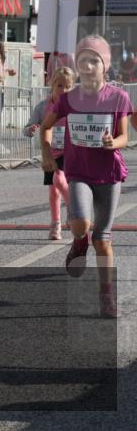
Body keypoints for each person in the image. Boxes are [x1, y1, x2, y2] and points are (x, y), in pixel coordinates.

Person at [40, 36, 130, 318]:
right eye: (83, 61)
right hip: (78, 171)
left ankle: (106, 294)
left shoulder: (118, 97)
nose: (88, 66)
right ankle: (79, 240)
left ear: (105, 65)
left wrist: (112, 143)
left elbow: (125, 135)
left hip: (109, 172)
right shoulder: (68, 99)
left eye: (94, 60)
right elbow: (45, 128)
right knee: (81, 222)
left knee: (103, 239)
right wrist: (46, 155)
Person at [25, 67, 77, 240]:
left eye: (68, 86)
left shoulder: (75, 106)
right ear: (52, 85)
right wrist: (31, 129)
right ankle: (56, 224)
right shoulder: (43, 107)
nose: (64, 90)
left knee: (58, 179)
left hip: (69, 152)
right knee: (53, 190)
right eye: (60, 86)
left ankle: (74, 209)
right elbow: (28, 127)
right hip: (49, 150)